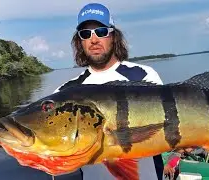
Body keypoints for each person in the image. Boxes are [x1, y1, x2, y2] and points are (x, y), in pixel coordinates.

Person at [53, 3, 164, 180]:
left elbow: (169, 127)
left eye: (101, 32)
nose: (94, 39)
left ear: (113, 36)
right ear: (80, 42)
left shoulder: (143, 75)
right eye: (86, 34)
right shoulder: (66, 92)